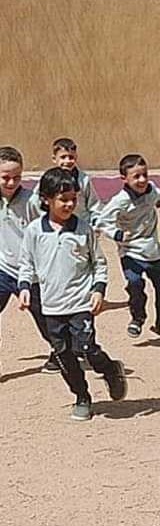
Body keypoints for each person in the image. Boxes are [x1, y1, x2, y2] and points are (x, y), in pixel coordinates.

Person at [18, 168, 127, 420]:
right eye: (63, 199)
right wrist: (24, 287)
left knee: (87, 349)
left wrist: (98, 290)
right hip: (51, 306)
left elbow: (99, 263)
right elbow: (27, 264)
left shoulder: (83, 229)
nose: (69, 204)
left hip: (80, 303)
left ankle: (110, 370)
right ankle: (82, 397)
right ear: (46, 199)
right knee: (63, 355)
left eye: (73, 199)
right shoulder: (34, 231)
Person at [96, 154, 160, 343]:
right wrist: (118, 235)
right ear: (124, 179)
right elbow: (103, 221)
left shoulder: (151, 190)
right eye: (136, 176)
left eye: (145, 174)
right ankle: (137, 317)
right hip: (130, 252)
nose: (142, 180)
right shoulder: (120, 201)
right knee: (135, 284)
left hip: (152, 251)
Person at [0, 146, 57, 373]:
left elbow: (50, 226)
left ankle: (61, 352)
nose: (11, 182)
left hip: (32, 273)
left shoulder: (31, 201)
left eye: (17, 177)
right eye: (5, 177)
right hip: (3, 270)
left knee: (45, 319)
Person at [31, 138, 104, 226]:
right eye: (63, 157)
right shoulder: (48, 178)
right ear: (54, 159)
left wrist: (95, 223)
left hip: (80, 225)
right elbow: (35, 201)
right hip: (55, 224)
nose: (67, 161)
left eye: (71, 157)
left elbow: (94, 205)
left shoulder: (84, 179)